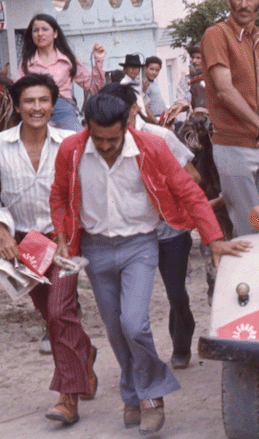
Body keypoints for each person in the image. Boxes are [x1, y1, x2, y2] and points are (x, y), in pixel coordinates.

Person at [50, 93, 246, 433]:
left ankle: (152, 396)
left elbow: (188, 192)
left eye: (113, 139)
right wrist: (62, 238)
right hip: (95, 249)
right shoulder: (71, 151)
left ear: (127, 124)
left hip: (139, 245)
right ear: (86, 127)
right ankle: (132, 395)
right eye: (99, 139)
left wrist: (214, 239)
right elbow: (58, 195)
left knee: (135, 324)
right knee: (115, 329)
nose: (107, 146)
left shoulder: (152, 148)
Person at [0, 73, 97, 425]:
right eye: (29, 101)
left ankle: (67, 396)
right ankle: (84, 354)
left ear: (53, 103)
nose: (37, 108)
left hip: (64, 241)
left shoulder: (70, 141)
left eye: (43, 101)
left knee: (60, 312)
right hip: (26, 244)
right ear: (18, 105)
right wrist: (3, 233)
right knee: (53, 315)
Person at [99, 84, 202, 370]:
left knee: (175, 292)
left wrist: (163, 198)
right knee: (129, 305)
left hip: (169, 232)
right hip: (130, 235)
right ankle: (138, 360)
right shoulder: (102, 143)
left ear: (134, 109)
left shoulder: (161, 137)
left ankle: (181, 343)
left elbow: (193, 178)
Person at [202, 0, 259, 237]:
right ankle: (242, 278)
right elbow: (224, 90)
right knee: (248, 227)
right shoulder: (216, 35)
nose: (244, 4)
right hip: (233, 145)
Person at [16, 13, 106, 132]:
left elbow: (94, 87)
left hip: (63, 109)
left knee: (75, 140)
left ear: (55, 33)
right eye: (35, 30)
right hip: (34, 110)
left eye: (45, 29)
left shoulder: (68, 59)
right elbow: (16, 91)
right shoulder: (27, 62)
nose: (40, 34)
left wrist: (98, 60)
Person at [141, 56, 166, 120]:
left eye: (157, 70)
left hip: (163, 116)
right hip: (155, 119)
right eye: (151, 69)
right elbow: (145, 108)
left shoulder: (153, 83)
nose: (154, 72)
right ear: (145, 68)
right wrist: (156, 122)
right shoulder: (145, 84)